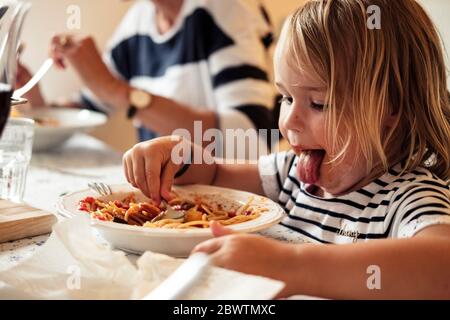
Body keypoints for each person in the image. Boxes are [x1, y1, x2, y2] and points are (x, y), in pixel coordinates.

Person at [122, 0, 450, 299]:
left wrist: (291, 265)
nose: (290, 121)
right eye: (286, 98)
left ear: (392, 107)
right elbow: (216, 173)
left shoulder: (408, 198)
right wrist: (176, 155)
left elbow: (442, 269)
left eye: (319, 103)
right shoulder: (291, 175)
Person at [16, 0, 277, 148]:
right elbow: (92, 105)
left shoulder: (227, 10)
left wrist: (115, 90)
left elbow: (253, 140)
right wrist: (31, 96)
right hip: (165, 194)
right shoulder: (138, 19)